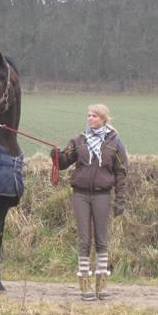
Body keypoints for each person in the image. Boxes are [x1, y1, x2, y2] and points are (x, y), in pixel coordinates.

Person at [53, 104, 128, 301]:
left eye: (94, 116)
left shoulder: (115, 143)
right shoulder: (79, 141)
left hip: (103, 195)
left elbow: (121, 173)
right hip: (80, 195)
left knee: (102, 239)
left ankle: (102, 283)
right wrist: (56, 156)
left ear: (103, 119)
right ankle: (84, 285)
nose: (90, 118)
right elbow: (63, 163)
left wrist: (120, 200)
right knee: (84, 240)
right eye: (88, 115)